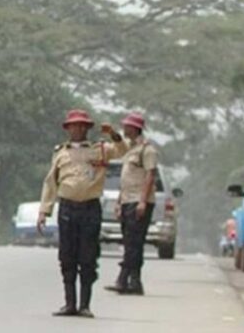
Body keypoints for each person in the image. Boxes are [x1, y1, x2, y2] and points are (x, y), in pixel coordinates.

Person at [37, 109, 127, 318]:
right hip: (67, 208)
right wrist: (44, 211)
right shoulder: (60, 153)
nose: (77, 129)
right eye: (73, 126)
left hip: (89, 208)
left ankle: (85, 304)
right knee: (67, 257)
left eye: (81, 126)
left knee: (87, 257)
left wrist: (113, 133)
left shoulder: (101, 149)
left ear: (87, 128)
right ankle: (69, 303)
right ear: (68, 129)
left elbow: (123, 150)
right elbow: (50, 183)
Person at [105, 113, 159, 296]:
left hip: (139, 201)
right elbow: (125, 179)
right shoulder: (130, 149)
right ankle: (134, 281)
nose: (124, 129)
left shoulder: (147, 150)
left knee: (134, 242)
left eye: (127, 126)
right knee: (130, 242)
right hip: (128, 199)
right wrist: (119, 202)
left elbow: (150, 176)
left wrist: (143, 201)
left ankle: (123, 279)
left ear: (135, 128)